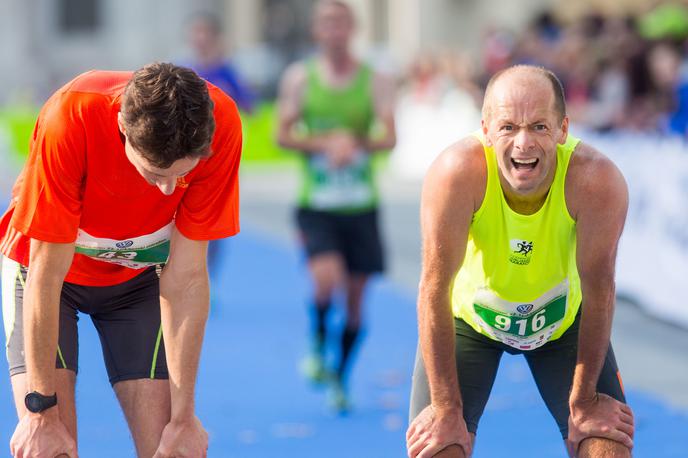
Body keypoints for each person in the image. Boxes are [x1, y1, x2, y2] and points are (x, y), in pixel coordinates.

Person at [0, 62, 242, 457]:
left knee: (171, 447)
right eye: (153, 173)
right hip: (48, 275)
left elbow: (188, 278)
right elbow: (47, 274)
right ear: (123, 128)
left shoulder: (221, 124)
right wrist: (40, 413)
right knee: (50, 447)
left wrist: (184, 418)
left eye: (180, 176)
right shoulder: (71, 116)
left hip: (138, 278)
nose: (167, 192)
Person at [406, 65, 634, 458]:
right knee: (437, 446)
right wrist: (445, 408)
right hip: (470, 323)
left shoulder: (597, 181)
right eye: (508, 127)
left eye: (539, 127)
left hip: (562, 325)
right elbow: (433, 290)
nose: (523, 143)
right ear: (486, 129)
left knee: (608, 445)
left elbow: (600, 293)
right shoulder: (456, 173)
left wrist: (583, 400)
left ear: (563, 129)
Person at [276, 0, 395, 412]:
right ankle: (316, 341)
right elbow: (283, 135)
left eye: (341, 23)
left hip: (361, 205)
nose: (335, 31)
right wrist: (325, 144)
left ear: (352, 28)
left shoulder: (374, 79)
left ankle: (340, 377)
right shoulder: (300, 79)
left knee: (357, 302)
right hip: (318, 202)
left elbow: (389, 137)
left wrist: (355, 144)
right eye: (327, 23)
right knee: (325, 280)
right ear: (317, 31)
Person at [187, 12, 255, 114]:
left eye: (205, 31)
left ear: (216, 36)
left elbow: (249, 107)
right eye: (196, 31)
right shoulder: (184, 71)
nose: (200, 37)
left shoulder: (228, 71)